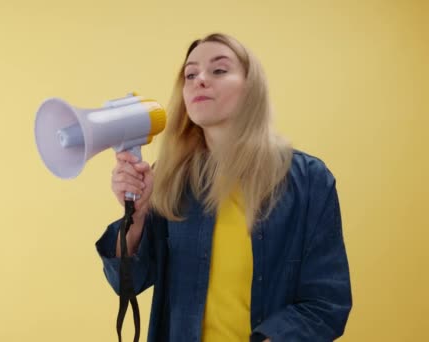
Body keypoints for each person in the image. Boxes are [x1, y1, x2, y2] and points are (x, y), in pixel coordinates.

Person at [96, 33, 352, 342]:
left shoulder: (309, 180)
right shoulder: (170, 179)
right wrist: (135, 216)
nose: (199, 80)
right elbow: (127, 283)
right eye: (190, 74)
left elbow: (327, 303)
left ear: (251, 89)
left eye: (219, 70)